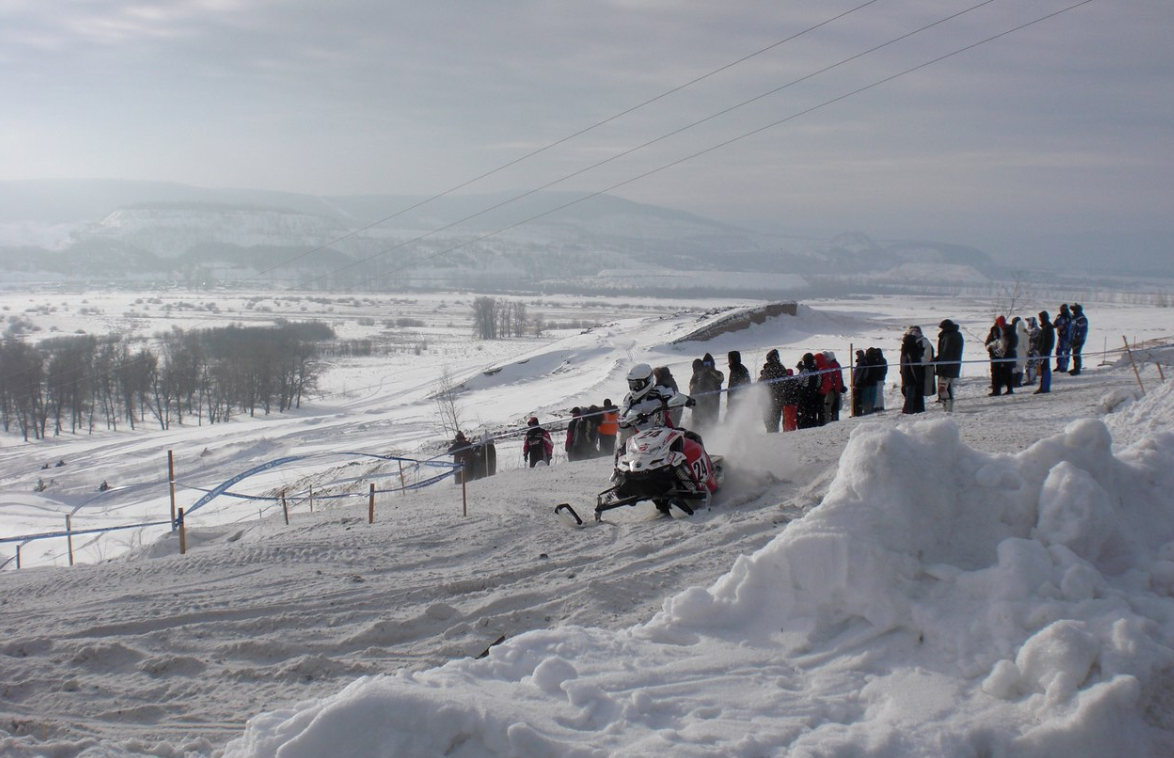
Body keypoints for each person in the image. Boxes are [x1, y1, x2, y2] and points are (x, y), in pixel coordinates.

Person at [617, 363, 690, 447]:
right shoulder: (629, 399)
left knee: (691, 440)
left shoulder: (661, 390)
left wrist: (677, 401)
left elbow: (672, 396)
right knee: (621, 450)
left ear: (647, 381)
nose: (633, 388)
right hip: (637, 441)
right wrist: (630, 419)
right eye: (631, 385)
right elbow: (622, 415)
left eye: (637, 385)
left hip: (665, 435)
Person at [936, 319, 964, 412]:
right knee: (947, 387)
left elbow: (946, 353)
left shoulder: (949, 337)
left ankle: (947, 408)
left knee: (944, 387)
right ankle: (948, 407)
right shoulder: (956, 335)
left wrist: (942, 367)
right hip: (952, 366)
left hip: (947, 367)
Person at [758, 349, 787, 433]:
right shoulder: (779, 368)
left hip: (773, 399)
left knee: (771, 423)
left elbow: (762, 382)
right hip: (773, 399)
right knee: (771, 422)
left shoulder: (775, 369)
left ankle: (773, 436)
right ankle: (773, 434)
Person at [900, 328, 927, 414]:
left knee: (909, 394)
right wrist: (918, 378)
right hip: (912, 377)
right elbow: (914, 366)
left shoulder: (904, 351)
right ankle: (909, 410)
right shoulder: (912, 351)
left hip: (905, 376)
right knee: (912, 395)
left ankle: (912, 409)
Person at [795, 353, 822, 429]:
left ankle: (802, 428)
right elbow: (819, 383)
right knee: (812, 414)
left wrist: (800, 370)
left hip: (803, 396)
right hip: (813, 395)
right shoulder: (817, 370)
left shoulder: (805, 370)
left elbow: (799, 381)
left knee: (802, 416)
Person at [726, 351, 752, 421]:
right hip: (733, 404)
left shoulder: (740, 370)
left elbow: (745, 387)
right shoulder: (733, 370)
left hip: (739, 404)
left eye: (730, 359)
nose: (729, 361)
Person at [1034, 311, 1055, 394]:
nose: (1039, 319)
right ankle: (1043, 386)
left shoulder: (1047, 328)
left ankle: (1045, 387)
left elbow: (1046, 341)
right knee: (1044, 368)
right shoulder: (1046, 327)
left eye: (1040, 318)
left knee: (1045, 368)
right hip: (1044, 351)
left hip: (1045, 352)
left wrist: (1041, 351)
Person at [1069, 303, 1089, 375]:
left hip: (1079, 339)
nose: (1073, 312)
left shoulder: (1081, 319)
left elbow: (1080, 330)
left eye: (1074, 310)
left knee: (1076, 354)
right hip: (1074, 338)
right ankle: (1076, 368)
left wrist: (1077, 339)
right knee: (1075, 354)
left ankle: (1077, 369)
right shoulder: (1076, 318)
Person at [1054, 304, 1073, 373]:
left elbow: (1070, 325)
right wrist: (1056, 325)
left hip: (1067, 337)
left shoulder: (1069, 316)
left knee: (1066, 352)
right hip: (1060, 336)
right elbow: (1055, 323)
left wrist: (1064, 327)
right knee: (1058, 351)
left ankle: (1065, 366)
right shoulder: (1059, 316)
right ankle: (1059, 365)